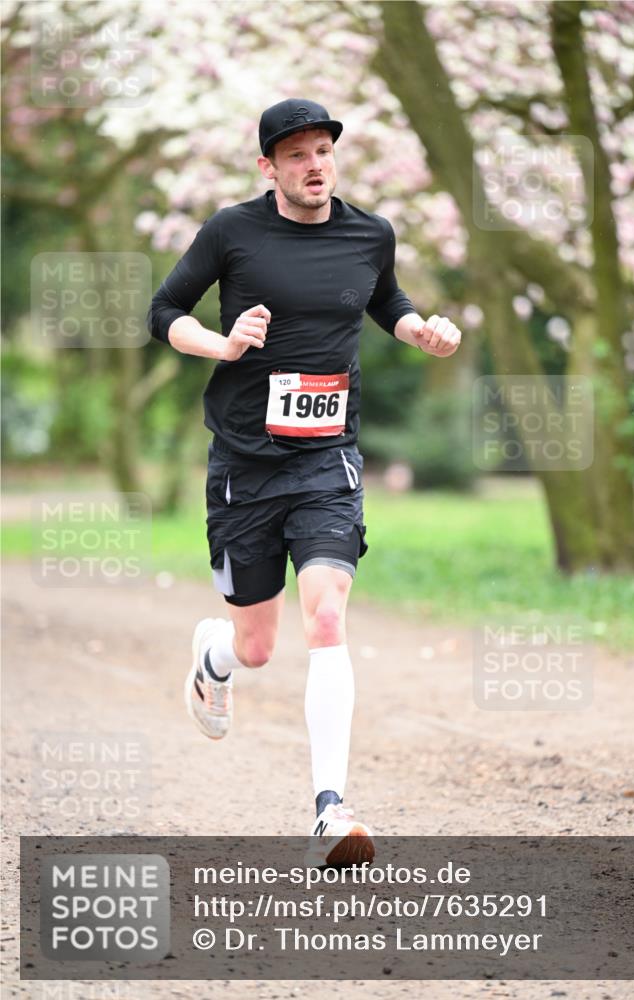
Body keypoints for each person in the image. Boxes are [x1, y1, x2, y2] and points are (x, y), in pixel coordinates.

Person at [148, 98, 461, 866]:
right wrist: (221, 346)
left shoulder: (369, 233)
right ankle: (215, 655)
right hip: (245, 465)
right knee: (257, 648)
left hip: (327, 459)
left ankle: (330, 808)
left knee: (327, 619)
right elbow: (163, 311)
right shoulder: (232, 232)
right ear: (268, 167)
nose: (314, 163)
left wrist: (416, 326)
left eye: (323, 149)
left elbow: (381, 296)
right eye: (296, 154)